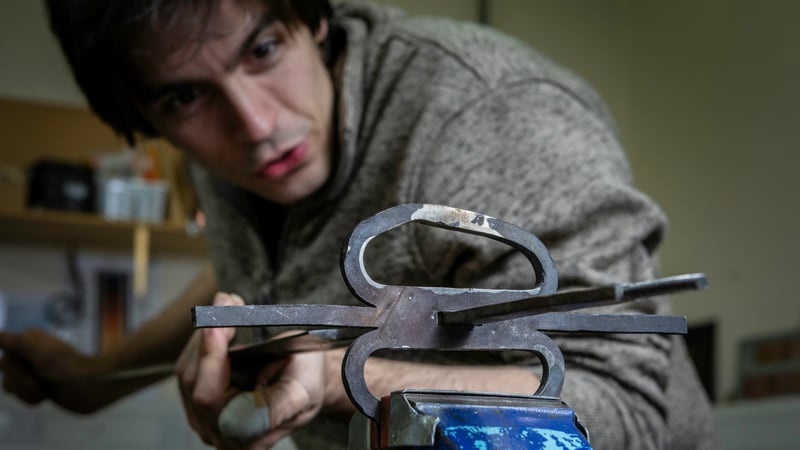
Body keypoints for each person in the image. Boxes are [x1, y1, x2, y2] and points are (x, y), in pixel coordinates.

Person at [0, 0, 715, 449]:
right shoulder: (243, 164)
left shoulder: (494, 117)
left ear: (313, 17)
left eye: (262, 49)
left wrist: (351, 374)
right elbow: (253, 281)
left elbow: (628, 415)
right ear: (144, 120)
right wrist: (101, 375)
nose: (255, 126)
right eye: (187, 96)